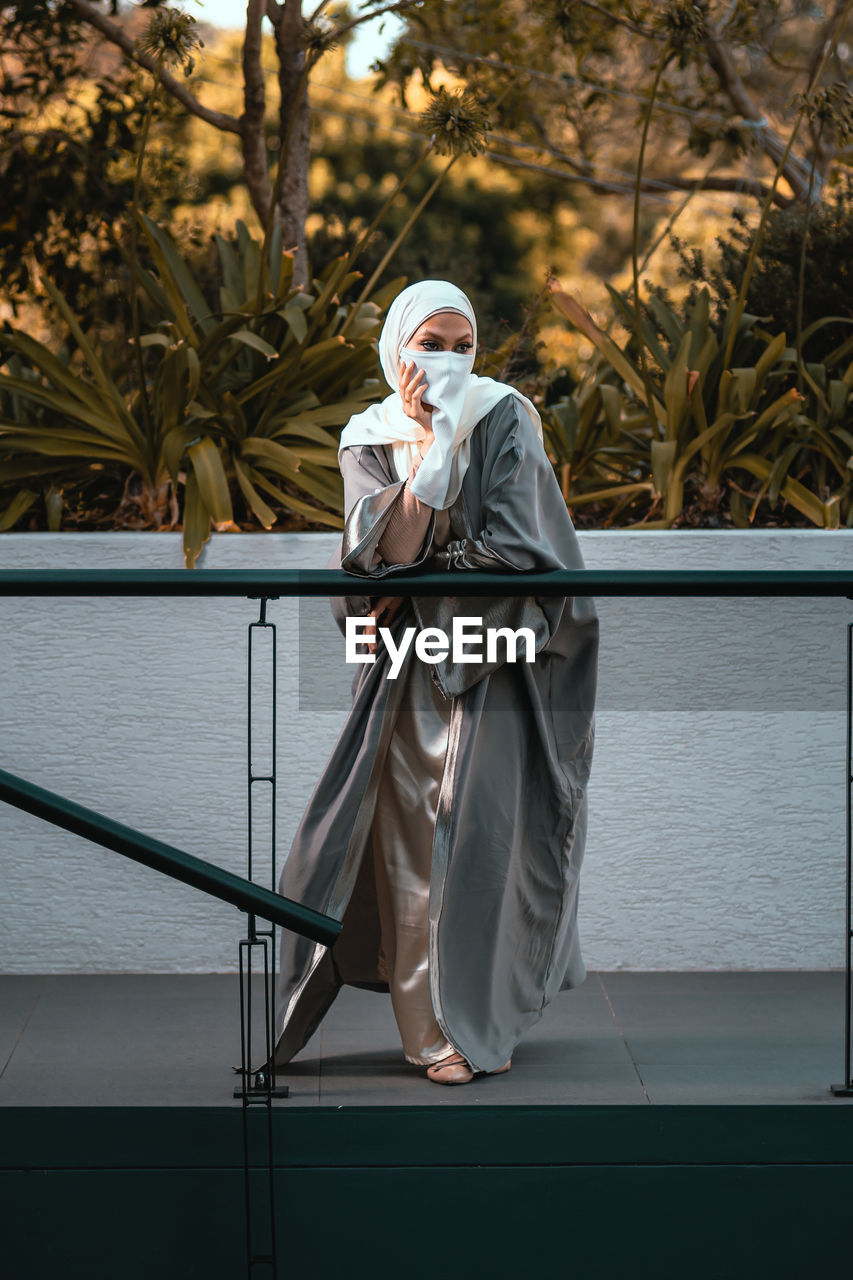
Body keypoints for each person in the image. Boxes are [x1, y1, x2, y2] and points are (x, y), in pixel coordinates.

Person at [272, 280, 598, 1085]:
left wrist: (410, 572)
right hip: (406, 683)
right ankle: (429, 1033)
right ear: (395, 351)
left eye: (463, 346)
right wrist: (429, 452)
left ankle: (482, 1008)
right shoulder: (369, 437)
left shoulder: (505, 415)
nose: (448, 362)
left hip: (496, 665)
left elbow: (519, 549)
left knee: (494, 846)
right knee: (413, 845)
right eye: (429, 344)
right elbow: (375, 556)